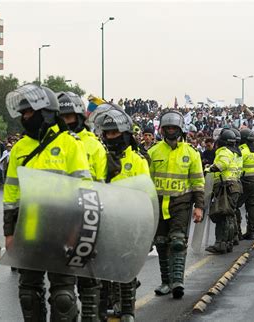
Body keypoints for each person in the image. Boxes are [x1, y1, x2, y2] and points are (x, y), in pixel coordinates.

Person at [3, 84, 91, 322]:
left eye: (29, 112)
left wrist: (78, 232)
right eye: (22, 113)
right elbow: (11, 195)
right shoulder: (19, 148)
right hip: (28, 230)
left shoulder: (70, 144)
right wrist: (9, 233)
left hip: (64, 230)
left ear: (46, 112)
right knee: (28, 294)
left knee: (63, 297)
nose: (24, 117)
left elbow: (85, 192)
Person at [94, 107, 150, 322]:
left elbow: (145, 194)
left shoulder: (138, 161)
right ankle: (107, 305)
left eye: (114, 133)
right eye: (107, 133)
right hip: (105, 221)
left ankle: (127, 309)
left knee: (127, 269)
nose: (110, 137)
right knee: (105, 269)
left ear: (125, 134)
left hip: (128, 222)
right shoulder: (101, 158)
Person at [57, 91, 106, 321]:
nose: (66, 121)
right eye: (61, 116)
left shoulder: (94, 146)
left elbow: (100, 183)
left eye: (69, 116)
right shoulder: (51, 141)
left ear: (79, 117)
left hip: (87, 216)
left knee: (88, 275)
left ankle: (91, 317)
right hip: (57, 216)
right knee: (61, 288)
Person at [148, 110, 204, 299]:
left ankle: (178, 281)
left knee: (178, 242)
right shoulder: (153, 152)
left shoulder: (191, 153)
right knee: (162, 243)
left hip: (181, 204)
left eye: (174, 127)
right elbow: (145, 180)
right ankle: (166, 282)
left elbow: (198, 182)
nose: (171, 130)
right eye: (168, 127)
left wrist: (199, 207)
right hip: (158, 204)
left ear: (180, 129)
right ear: (163, 130)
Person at [205, 129, 240, 254]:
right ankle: (228, 243)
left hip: (225, 186)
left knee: (222, 216)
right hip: (234, 185)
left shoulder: (224, 152)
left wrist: (208, 169)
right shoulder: (235, 152)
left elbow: (221, 165)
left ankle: (220, 244)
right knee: (229, 216)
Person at [235, 129, 254, 240]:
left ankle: (238, 233)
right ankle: (251, 232)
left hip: (244, 182)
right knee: (252, 207)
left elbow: (236, 166)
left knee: (235, 206)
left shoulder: (241, 150)